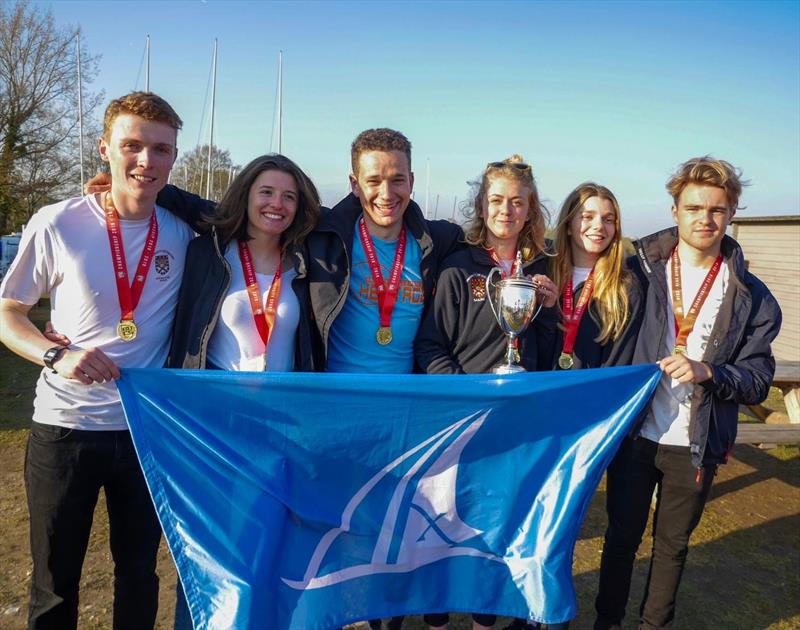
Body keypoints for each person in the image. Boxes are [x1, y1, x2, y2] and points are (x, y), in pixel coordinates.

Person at [0, 92, 192, 629]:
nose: (145, 161)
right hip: (65, 429)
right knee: (54, 584)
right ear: (104, 148)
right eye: (132, 146)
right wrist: (56, 353)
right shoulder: (57, 222)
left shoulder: (184, 233)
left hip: (143, 433)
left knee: (138, 577)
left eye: (160, 149)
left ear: (174, 158)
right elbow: (9, 313)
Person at [593, 157, 782, 630]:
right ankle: (606, 621)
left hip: (696, 443)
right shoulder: (638, 270)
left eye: (717, 209)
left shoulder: (751, 295)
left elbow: (758, 379)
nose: (705, 218)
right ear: (674, 209)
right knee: (620, 539)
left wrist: (709, 372)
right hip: (636, 434)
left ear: (732, 212)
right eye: (694, 207)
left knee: (672, 546)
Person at [306, 128, 461, 630]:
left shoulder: (438, 240)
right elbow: (243, 208)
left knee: (394, 537)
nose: (386, 193)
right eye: (374, 180)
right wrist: (139, 190)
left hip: (404, 416)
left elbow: (500, 239)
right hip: (338, 414)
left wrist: (541, 275)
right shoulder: (324, 234)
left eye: (397, 179)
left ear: (412, 180)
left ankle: (386, 620)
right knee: (341, 536)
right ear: (354, 182)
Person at [167, 153, 320, 628]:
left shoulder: (306, 260)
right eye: (267, 192)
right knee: (210, 543)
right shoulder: (209, 253)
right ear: (246, 196)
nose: (277, 204)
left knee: (273, 545)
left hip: (282, 428)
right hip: (217, 424)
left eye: (289, 196)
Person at [414, 156, 558, 630]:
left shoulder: (541, 270)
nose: (506, 210)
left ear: (531, 207)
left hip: (512, 428)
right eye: (497, 200)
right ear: (481, 204)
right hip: (456, 423)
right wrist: (465, 395)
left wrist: (550, 311)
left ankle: (484, 620)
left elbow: (547, 356)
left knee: (495, 532)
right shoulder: (459, 268)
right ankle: (435, 620)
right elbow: (431, 344)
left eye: (517, 202)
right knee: (442, 530)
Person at [539, 182, 640, 372]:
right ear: (568, 226)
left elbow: (619, 365)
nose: (599, 226)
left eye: (608, 220)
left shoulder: (625, 287)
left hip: (593, 398)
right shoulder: (546, 277)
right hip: (541, 395)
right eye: (588, 217)